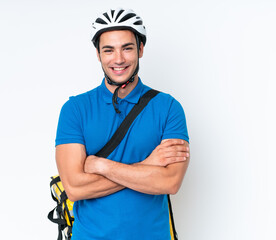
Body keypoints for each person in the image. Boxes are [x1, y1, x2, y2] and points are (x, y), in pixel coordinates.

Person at [55, 8, 190, 240]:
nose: (118, 59)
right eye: (109, 50)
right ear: (98, 54)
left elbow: (170, 182)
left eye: (127, 48)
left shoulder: (168, 107)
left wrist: (100, 165)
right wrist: (147, 165)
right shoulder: (75, 109)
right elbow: (75, 188)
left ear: (140, 49)